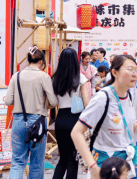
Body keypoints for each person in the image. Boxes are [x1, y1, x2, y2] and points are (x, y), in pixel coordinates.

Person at [72, 55, 137, 179]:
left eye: (136, 70)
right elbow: (76, 133)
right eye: (129, 69)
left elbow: (129, 126)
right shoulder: (103, 97)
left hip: (126, 163)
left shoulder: (129, 95)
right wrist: (92, 167)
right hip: (106, 163)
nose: (134, 74)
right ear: (114, 72)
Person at [5, 46, 58, 179]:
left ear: (28, 61)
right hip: (38, 121)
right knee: (36, 163)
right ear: (41, 62)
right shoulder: (43, 76)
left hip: (18, 120)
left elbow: (8, 101)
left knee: (17, 162)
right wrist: (42, 104)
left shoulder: (16, 76)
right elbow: (53, 101)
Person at [52, 48, 91, 179]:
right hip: (75, 121)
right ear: (76, 60)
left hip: (60, 119)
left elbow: (52, 102)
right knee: (73, 160)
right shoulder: (81, 78)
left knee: (62, 159)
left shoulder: (55, 78)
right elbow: (87, 103)